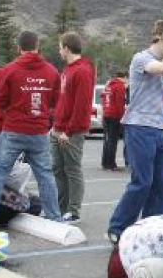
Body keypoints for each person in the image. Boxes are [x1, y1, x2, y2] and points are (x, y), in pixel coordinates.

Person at [0, 31, 63, 231]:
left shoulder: (9, 70)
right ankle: (55, 218)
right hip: (38, 131)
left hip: (13, 130)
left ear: (19, 48)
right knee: (45, 174)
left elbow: (1, 102)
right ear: (37, 46)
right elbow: (53, 102)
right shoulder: (52, 72)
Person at [107, 20, 163, 244]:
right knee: (142, 182)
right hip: (140, 126)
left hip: (161, 129)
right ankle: (117, 227)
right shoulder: (141, 59)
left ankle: (150, 230)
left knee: (161, 184)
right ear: (161, 37)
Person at [51, 32, 95, 224]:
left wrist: (68, 132)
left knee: (72, 169)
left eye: (60, 47)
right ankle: (61, 209)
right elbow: (64, 100)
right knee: (58, 169)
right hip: (57, 129)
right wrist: (55, 127)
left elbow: (82, 106)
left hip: (71, 132)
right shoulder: (68, 69)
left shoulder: (82, 71)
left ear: (67, 48)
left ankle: (73, 211)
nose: (59, 51)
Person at [101, 71, 128, 171]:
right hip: (115, 115)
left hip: (106, 114)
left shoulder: (108, 85)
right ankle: (111, 164)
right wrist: (122, 117)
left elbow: (103, 97)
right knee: (113, 141)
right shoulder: (120, 86)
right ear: (125, 77)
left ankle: (104, 162)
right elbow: (119, 103)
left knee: (107, 139)